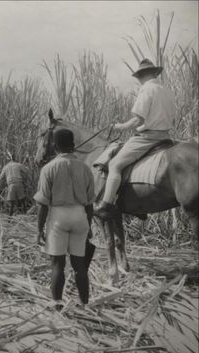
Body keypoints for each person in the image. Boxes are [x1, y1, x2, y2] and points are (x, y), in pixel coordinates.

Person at [94, 58, 176, 220]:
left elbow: (138, 119)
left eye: (139, 77)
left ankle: (106, 205)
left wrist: (119, 126)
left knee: (115, 165)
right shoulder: (167, 91)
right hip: (166, 137)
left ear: (141, 76)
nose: (139, 80)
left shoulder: (147, 89)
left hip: (148, 137)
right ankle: (139, 205)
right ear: (154, 73)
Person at [34, 129, 95, 309]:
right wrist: (89, 225)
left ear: (54, 146)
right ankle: (84, 303)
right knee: (79, 265)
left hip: (58, 217)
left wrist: (39, 230)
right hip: (80, 215)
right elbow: (90, 203)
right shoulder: (85, 168)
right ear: (74, 145)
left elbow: (42, 203)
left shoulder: (48, 168)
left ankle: (57, 302)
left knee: (58, 265)